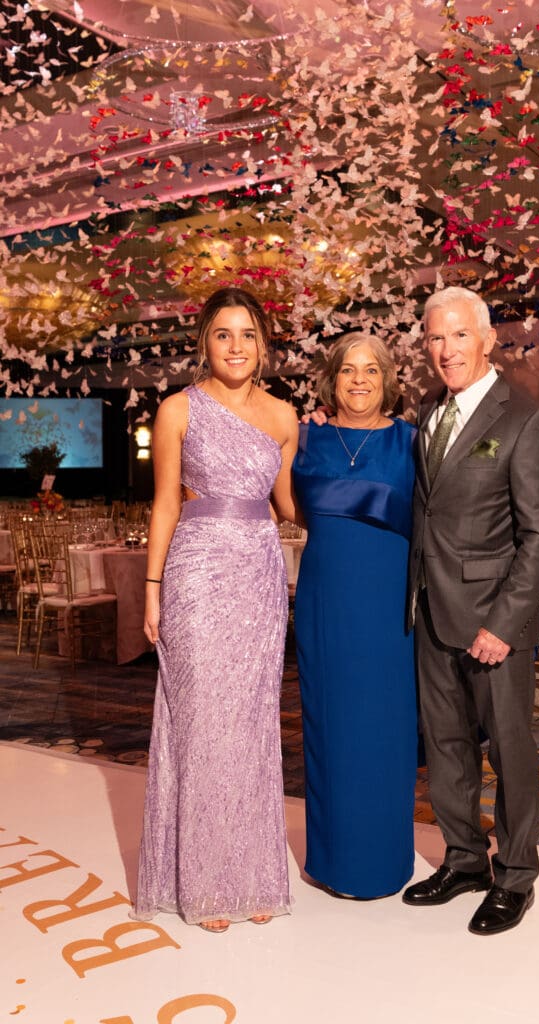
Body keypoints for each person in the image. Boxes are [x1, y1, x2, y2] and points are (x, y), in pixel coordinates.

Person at [132, 286, 299, 933]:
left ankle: (253, 875)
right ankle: (203, 883)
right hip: (196, 573)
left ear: (262, 346)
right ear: (205, 341)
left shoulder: (284, 418)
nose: (235, 345)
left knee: (253, 724)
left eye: (247, 334)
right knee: (202, 724)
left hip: (258, 574)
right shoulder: (177, 409)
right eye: (223, 333)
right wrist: (151, 588)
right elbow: (165, 504)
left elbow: (287, 506)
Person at [402, 286, 539, 935]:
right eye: (435, 337)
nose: (446, 349)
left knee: (509, 749)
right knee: (444, 749)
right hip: (432, 611)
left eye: (458, 335)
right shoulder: (425, 415)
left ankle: (515, 872)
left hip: (493, 620)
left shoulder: (524, 417)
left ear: (486, 339)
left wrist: (504, 620)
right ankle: (464, 859)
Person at [293, 332, 417, 899]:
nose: (359, 380)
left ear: (388, 379)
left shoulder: (410, 442)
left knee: (384, 728)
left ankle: (384, 859)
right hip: (325, 604)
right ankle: (335, 860)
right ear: (332, 379)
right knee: (330, 725)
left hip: (388, 607)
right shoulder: (304, 438)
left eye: (371, 370)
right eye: (348, 370)